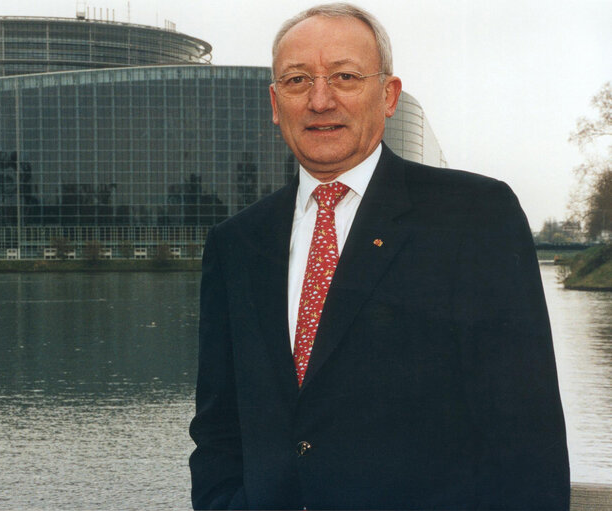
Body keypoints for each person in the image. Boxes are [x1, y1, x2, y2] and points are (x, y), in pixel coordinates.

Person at [189, 3, 570, 510]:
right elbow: (218, 425)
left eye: (344, 76)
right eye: (298, 80)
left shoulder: (475, 216)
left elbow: (528, 433)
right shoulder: (236, 242)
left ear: (388, 95)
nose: (320, 100)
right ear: (276, 103)